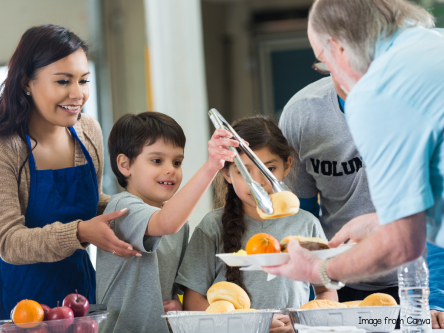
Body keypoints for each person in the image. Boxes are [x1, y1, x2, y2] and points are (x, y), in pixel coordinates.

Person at [263, 1, 444, 328]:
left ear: (338, 48)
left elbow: (402, 244)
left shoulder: (377, 91)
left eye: (322, 58)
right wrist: (381, 222)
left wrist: (319, 271)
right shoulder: (434, 46)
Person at [0, 24, 140, 319]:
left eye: (84, 80)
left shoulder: (88, 130)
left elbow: (93, 202)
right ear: (27, 82)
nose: (78, 94)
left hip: (79, 294)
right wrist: (79, 232)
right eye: (63, 81)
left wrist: (140, 209)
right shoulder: (6, 147)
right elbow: (9, 242)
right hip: (18, 303)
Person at [175, 117, 337, 333]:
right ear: (227, 173)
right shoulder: (212, 226)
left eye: (269, 168)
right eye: (244, 172)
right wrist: (248, 324)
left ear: (286, 166)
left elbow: (326, 292)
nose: (258, 182)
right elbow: (193, 303)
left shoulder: (307, 225)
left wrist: (302, 320)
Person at [96, 112, 238, 333]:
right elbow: (166, 223)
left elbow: (175, 284)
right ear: (125, 165)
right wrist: (211, 166)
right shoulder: (122, 208)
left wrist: (177, 301)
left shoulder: (179, 225)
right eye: (157, 160)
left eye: (177, 161)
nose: (171, 169)